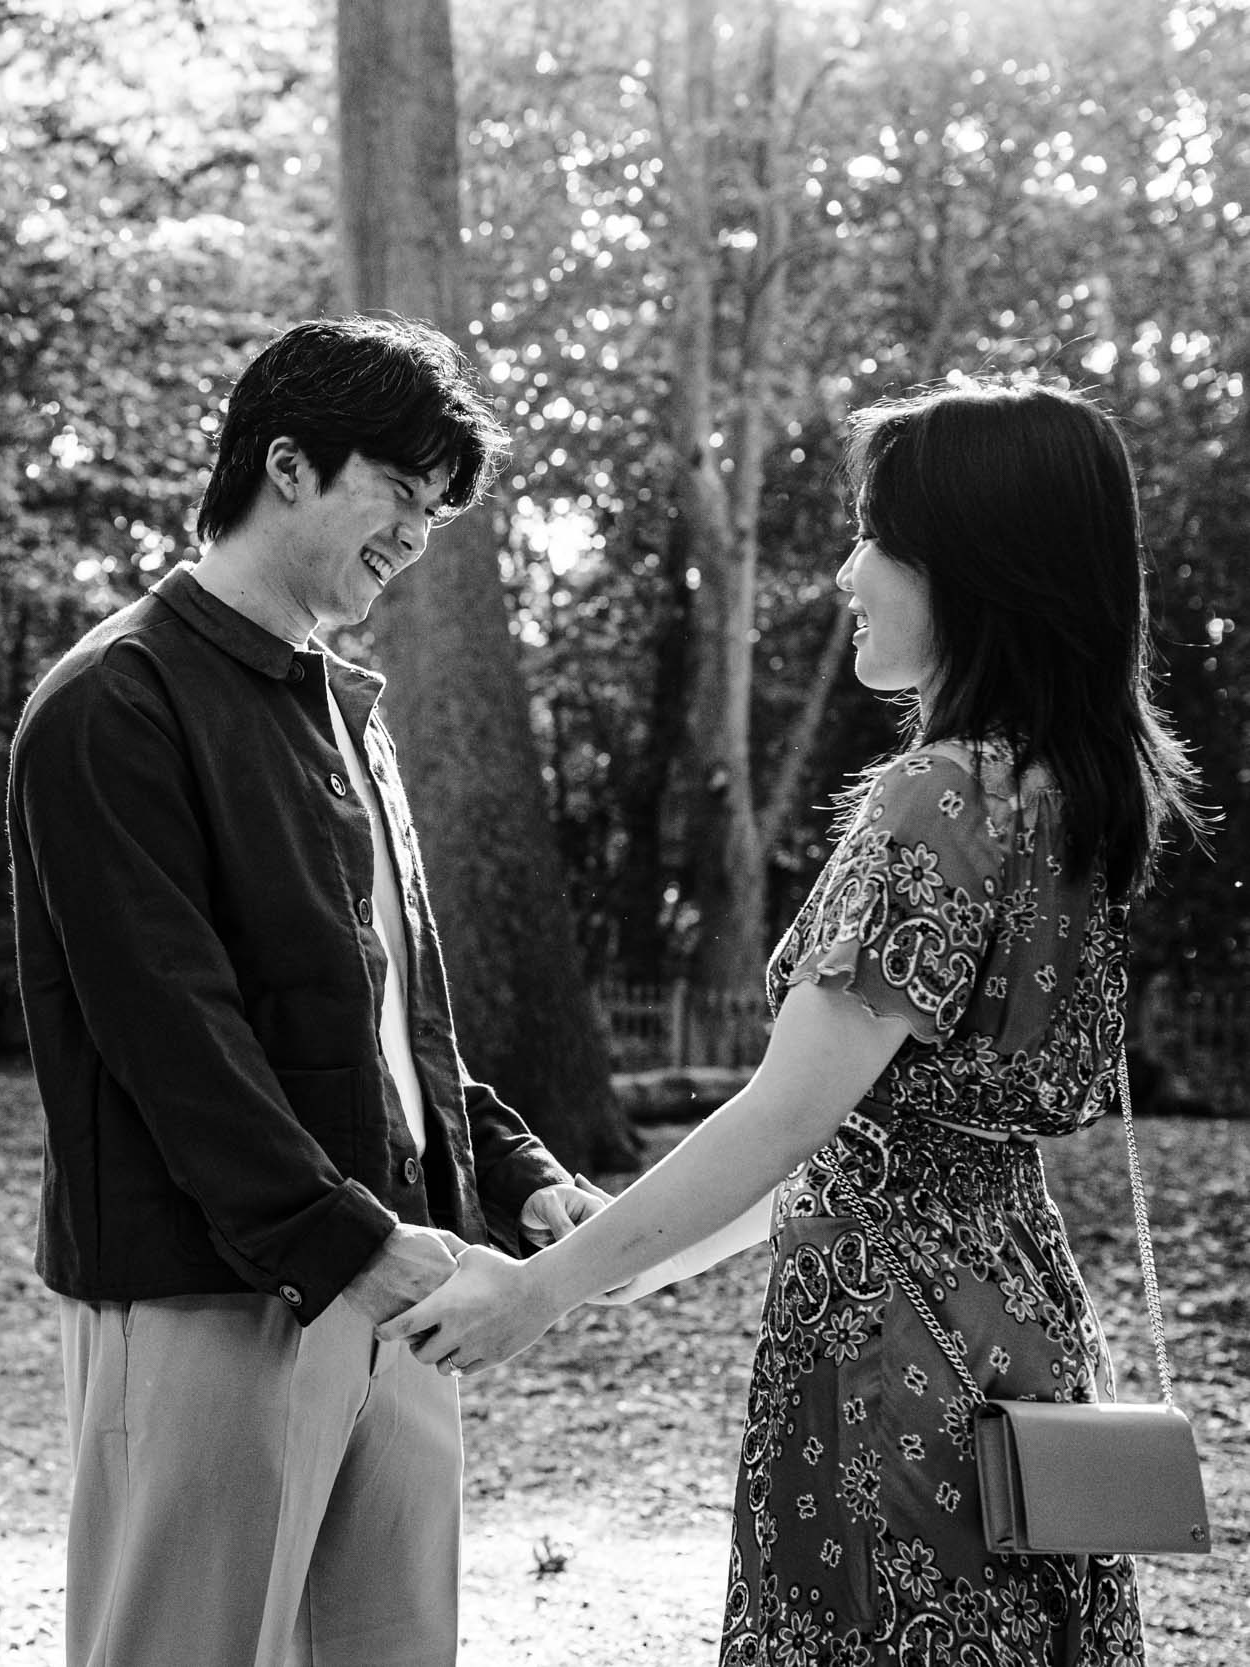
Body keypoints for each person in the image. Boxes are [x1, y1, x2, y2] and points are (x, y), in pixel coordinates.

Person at [390, 378, 1201, 1666]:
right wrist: (627, 1259)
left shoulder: (938, 802)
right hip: (1020, 1325)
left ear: (974, 569)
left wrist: (539, 1292)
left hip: (893, 1352)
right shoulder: (1069, 801)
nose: (844, 574)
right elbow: (856, 1145)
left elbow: (787, 1119)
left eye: (876, 539)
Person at [6, 313, 609, 1667]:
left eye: (438, 509)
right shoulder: (115, 700)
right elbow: (171, 1035)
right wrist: (347, 1241)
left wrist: (510, 1170)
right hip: (206, 1295)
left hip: (400, 1285)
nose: (418, 534)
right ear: (287, 464)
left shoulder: (343, 708)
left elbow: (389, 1016)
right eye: (400, 490)